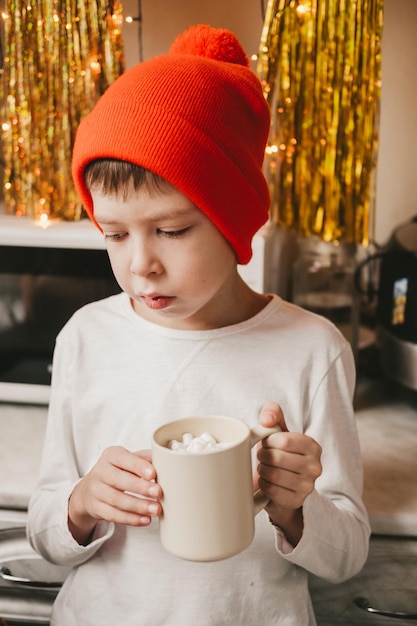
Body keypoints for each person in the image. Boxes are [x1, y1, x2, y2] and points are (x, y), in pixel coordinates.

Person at [27, 24, 370, 625]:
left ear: (232, 219)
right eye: (113, 234)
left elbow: (347, 558)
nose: (140, 266)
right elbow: (46, 533)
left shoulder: (313, 350)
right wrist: (81, 502)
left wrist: (296, 508)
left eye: (172, 230)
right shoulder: (87, 337)